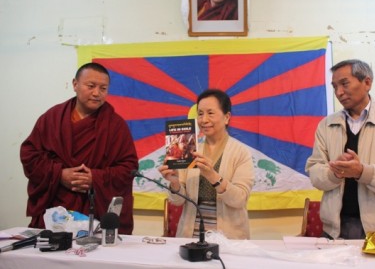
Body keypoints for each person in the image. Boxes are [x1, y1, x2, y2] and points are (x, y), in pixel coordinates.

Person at [305, 59, 375, 240]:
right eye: (334, 87)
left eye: (344, 84)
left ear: (367, 83)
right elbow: (314, 171)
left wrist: (362, 172)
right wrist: (336, 172)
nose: (339, 92)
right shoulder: (326, 125)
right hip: (334, 229)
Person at [20, 62, 138, 235]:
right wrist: (59, 174)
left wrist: (95, 178)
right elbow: (29, 156)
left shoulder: (115, 125)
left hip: (95, 211)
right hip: (55, 210)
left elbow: (130, 168)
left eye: (103, 88)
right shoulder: (52, 118)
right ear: (75, 84)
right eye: (91, 86)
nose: (97, 93)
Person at [158, 89, 254, 239]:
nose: (204, 120)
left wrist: (212, 176)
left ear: (227, 117)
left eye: (210, 113)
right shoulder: (187, 148)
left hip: (229, 240)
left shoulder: (241, 152)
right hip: (191, 236)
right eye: (200, 113)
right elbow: (177, 201)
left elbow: (240, 199)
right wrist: (175, 183)